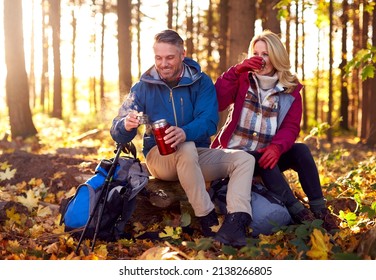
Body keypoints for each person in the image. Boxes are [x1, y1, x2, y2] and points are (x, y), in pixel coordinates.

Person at [110, 29, 256, 246]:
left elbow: (209, 122)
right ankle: (208, 221)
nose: (163, 63)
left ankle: (235, 223)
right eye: (158, 58)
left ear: (182, 54)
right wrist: (126, 124)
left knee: (244, 159)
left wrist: (184, 132)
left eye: (169, 57)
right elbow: (117, 130)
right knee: (185, 148)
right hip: (160, 158)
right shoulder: (143, 87)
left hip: (196, 155)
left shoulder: (201, 82)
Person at [211, 30, 339, 231]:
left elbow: (291, 127)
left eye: (266, 54)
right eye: (256, 53)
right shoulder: (242, 79)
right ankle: (299, 212)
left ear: (276, 56)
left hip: (265, 157)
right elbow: (216, 102)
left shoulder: (291, 89)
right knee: (262, 159)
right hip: (234, 157)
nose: (260, 59)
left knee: (300, 151)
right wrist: (236, 71)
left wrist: (277, 148)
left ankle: (320, 211)